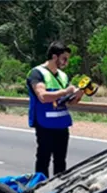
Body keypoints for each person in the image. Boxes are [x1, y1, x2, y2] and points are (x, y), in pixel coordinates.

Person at [27, 41, 84, 178]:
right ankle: (40, 188)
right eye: (64, 58)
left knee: (60, 161)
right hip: (44, 123)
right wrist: (64, 91)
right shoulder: (37, 73)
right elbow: (42, 96)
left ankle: (59, 190)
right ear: (54, 57)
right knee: (43, 159)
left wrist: (78, 94)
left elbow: (69, 102)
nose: (66, 62)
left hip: (61, 124)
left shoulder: (63, 76)